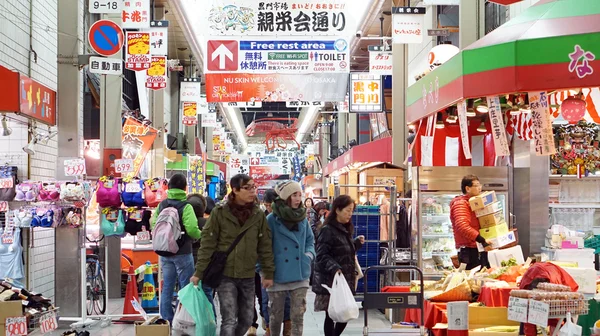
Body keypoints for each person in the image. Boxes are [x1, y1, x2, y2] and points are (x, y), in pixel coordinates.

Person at [191, 174, 275, 336]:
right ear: (235, 190)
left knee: (247, 318)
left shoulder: (258, 215)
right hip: (226, 274)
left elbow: (265, 245)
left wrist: (268, 272)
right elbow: (207, 244)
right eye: (247, 188)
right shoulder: (220, 213)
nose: (252, 191)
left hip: (248, 274)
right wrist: (199, 272)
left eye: (253, 187)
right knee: (229, 318)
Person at [150, 173, 201, 323]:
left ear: (169, 187)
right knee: (185, 287)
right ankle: (182, 320)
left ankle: (167, 320)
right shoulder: (186, 206)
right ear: (185, 188)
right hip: (183, 251)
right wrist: (199, 235)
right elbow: (192, 229)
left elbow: (154, 224)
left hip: (165, 252)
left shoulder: (162, 204)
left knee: (167, 286)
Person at [266, 181, 315, 336]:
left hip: (300, 271)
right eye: (294, 195)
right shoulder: (271, 220)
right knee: (276, 316)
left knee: (298, 315)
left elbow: (309, 240)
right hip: (277, 274)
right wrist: (264, 271)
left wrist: (308, 255)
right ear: (286, 197)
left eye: (299, 195)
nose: (298, 199)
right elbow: (263, 247)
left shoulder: (302, 218)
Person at [312, 195, 364, 336]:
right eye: (347, 210)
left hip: (344, 278)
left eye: (352, 210)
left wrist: (355, 244)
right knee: (332, 314)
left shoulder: (345, 229)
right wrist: (334, 267)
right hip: (331, 280)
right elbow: (321, 255)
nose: (350, 214)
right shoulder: (327, 230)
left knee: (345, 313)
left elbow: (341, 249)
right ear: (337, 210)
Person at [260, 188, 291, 336]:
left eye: (269, 204)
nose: (268, 208)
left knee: (286, 299)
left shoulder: (285, 218)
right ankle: (269, 328)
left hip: (284, 265)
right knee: (266, 300)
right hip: (266, 266)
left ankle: (287, 327)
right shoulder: (262, 218)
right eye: (266, 205)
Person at [450, 175, 493, 270]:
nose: (480, 188)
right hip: (469, 252)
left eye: (480, 185)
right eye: (476, 185)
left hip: (479, 249)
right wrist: (482, 240)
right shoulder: (461, 203)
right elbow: (462, 226)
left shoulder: (474, 202)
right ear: (467, 188)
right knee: (473, 282)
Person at [186, 193, 216, 320]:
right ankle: (211, 319)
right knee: (207, 291)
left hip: (188, 261)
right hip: (208, 263)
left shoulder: (185, 223)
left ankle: (190, 319)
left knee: (187, 292)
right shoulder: (210, 223)